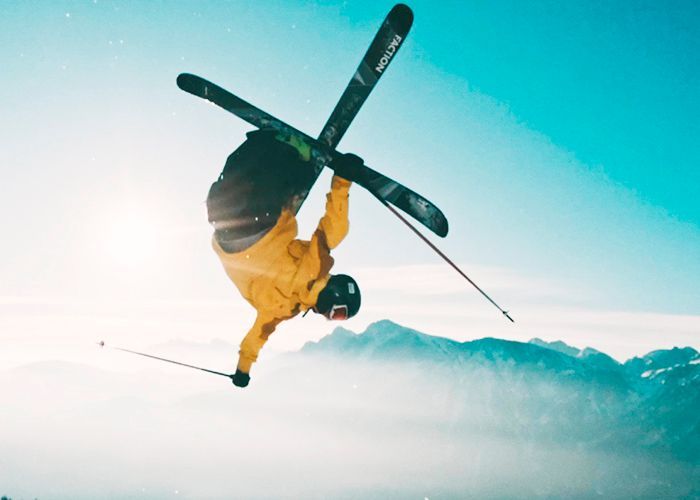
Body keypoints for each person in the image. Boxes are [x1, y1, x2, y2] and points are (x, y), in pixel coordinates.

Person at [206, 129, 364, 387]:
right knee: (242, 199)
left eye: (337, 318)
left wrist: (243, 369)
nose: (329, 316)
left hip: (233, 238)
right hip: (257, 230)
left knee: (220, 200)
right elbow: (334, 227)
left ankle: (270, 147)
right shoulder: (317, 264)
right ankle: (282, 151)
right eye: (338, 313)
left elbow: (256, 338)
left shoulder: (285, 311)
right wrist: (343, 180)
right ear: (337, 292)